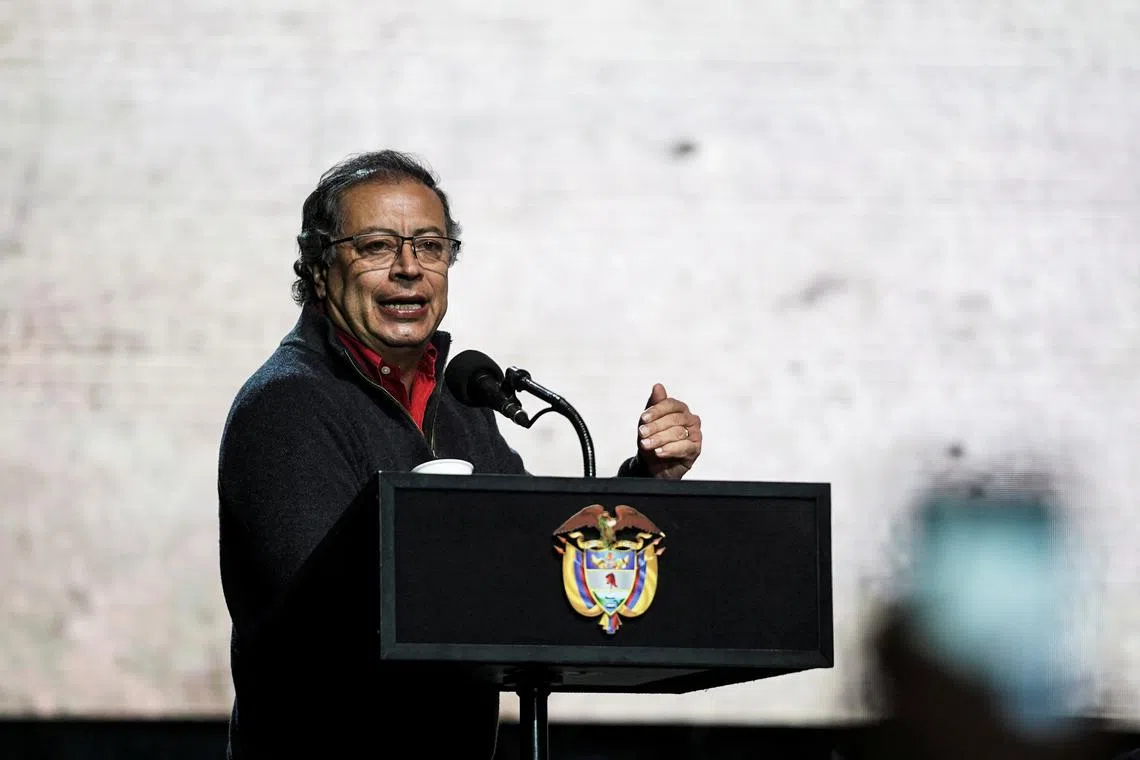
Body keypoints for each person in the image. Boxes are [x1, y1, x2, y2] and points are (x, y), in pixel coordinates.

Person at [217, 150, 704, 758]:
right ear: (320, 269)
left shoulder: (460, 401)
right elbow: (321, 625)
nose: (408, 269)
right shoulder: (288, 405)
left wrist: (646, 479)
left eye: (430, 246)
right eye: (375, 246)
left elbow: (541, 559)